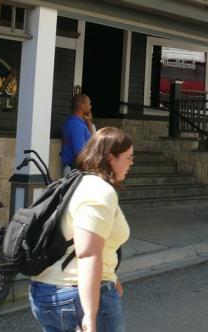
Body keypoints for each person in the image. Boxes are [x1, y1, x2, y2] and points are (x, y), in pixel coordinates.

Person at [30, 127, 134, 332]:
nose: (132, 163)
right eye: (129, 157)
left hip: (48, 290)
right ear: (111, 158)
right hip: (76, 296)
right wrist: (89, 314)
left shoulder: (78, 182)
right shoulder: (99, 192)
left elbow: (87, 241)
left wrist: (111, 276)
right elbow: (87, 254)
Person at [61, 94, 93, 176]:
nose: (90, 106)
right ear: (82, 106)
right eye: (89, 104)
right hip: (75, 170)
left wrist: (89, 123)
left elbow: (91, 141)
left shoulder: (76, 123)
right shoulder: (76, 125)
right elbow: (79, 152)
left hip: (76, 169)